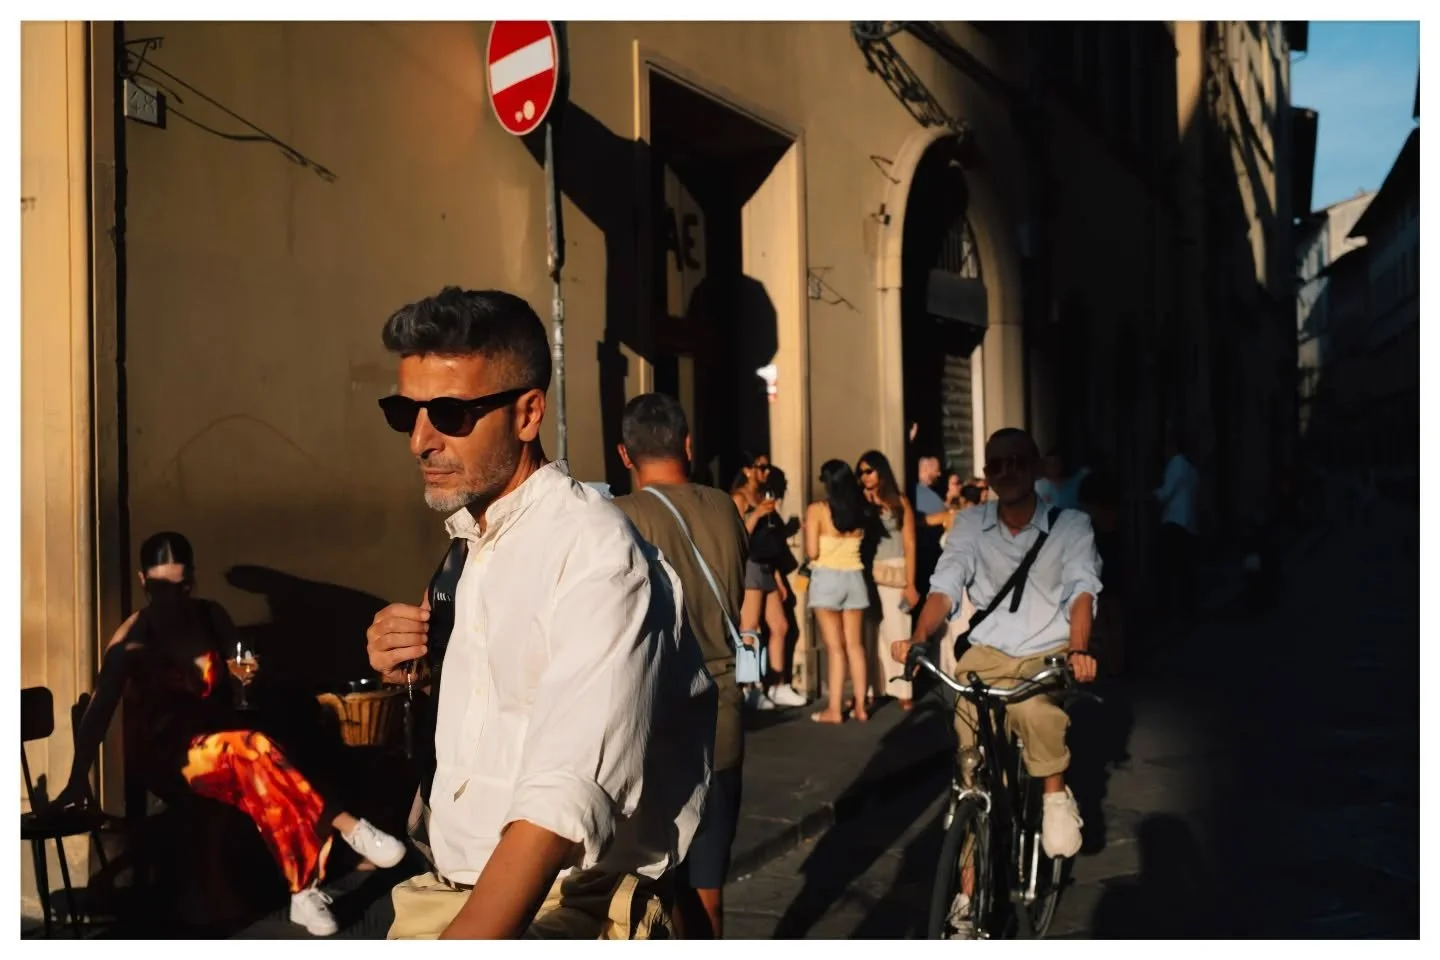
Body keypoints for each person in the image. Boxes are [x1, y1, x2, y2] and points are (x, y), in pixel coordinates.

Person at [364, 287, 714, 939]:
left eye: (449, 412)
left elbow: (567, 791)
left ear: (528, 414)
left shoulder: (595, 555)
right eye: (403, 411)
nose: (419, 439)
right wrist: (410, 665)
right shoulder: (475, 541)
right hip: (448, 887)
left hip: (554, 909)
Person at [42, 532, 405, 937]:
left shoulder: (210, 616)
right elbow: (99, 710)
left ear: (191, 581)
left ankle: (303, 893)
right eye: (162, 587)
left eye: (181, 586)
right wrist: (77, 778)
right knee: (255, 750)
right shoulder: (133, 637)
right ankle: (343, 830)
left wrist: (243, 680)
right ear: (144, 581)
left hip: (222, 742)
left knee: (261, 759)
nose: (173, 596)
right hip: (170, 756)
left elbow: (240, 665)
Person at [893, 428, 1101, 877]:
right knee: (970, 772)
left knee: (1034, 712)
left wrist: (1080, 648)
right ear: (986, 474)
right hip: (987, 650)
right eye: (997, 465)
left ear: (1037, 468)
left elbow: (1082, 590)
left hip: (1046, 649)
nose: (1007, 472)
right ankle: (967, 901)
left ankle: (1054, 795)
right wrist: (920, 637)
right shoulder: (970, 523)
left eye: (1018, 462)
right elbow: (945, 586)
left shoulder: (1070, 526)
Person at [610, 393, 748, 940]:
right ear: (687, 445)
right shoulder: (725, 506)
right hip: (723, 715)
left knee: (647, 893)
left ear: (624, 454)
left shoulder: (618, 519)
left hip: (653, 719)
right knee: (707, 891)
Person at [729, 453, 803, 710]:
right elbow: (738, 536)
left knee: (780, 626)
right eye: (761, 468)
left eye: (768, 468)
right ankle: (749, 687)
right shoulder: (739, 498)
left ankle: (778, 684)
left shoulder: (765, 496)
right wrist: (758, 513)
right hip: (749, 566)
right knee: (749, 627)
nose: (766, 473)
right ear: (748, 470)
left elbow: (769, 543)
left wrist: (779, 578)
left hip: (767, 567)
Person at [804, 460, 872, 724]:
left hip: (827, 580)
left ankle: (834, 709)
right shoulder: (859, 510)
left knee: (835, 649)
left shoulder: (817, 510)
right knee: (856, 646)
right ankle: (860, 706)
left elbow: (812, 552)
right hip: (854, 577)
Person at [856, 450, 920, 711]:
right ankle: (874, 687)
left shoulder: (899, 501)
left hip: (895, 571)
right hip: (868, 572)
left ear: (881, 471)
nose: (864, 477)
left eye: (868, 471)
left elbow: (910, 542)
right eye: (860, 472)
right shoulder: (859, 501)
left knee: (897, 630)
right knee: (870, 634)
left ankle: (903, 688)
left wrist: (912, 583)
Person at [1153, 436, 1199, 623]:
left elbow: (1166, 493)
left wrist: (1149, 494)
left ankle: (1173, 610)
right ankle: (1187, 608)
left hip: (1175, 521)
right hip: (1188, 523)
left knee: (1172, 567)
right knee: (1184, 567)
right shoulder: (1191, 468)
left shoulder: (1176, 464)